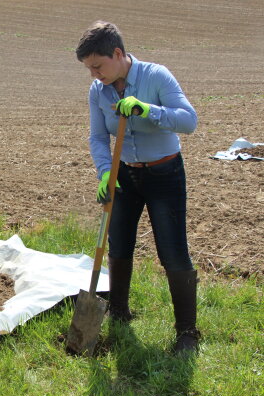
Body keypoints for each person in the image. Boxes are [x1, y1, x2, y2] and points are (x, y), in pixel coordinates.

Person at [75, 21, 200, 353]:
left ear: (117, 54)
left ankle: (187, 333)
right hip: (124, 175)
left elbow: (189, 120)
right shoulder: (97, 92)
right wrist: (105, 172)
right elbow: (98, 137)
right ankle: (118, 311)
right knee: (118, 246)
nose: (94, 75)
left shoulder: (156, 76)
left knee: (172, 252)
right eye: (89, 69)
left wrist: (149, 110)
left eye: (97, 66)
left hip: (164, 175)